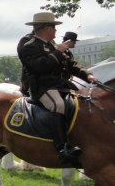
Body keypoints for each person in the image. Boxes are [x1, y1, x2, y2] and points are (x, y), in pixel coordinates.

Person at [19, 12, 96, 164]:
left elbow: (71, 65)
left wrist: (87, 75)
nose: (55, 30)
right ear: (44, 27)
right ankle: (62, 148)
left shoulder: (53, 46)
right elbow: (40, 66)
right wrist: (58, 52)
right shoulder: (30, 46)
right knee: (57, 105)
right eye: (53, 26)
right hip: (42, 87)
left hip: (60, 86)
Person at [17, 31, 35, 96]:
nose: (55, 30)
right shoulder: (26, 40)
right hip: (32, 83)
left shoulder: (49, 41)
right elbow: (27, 62)